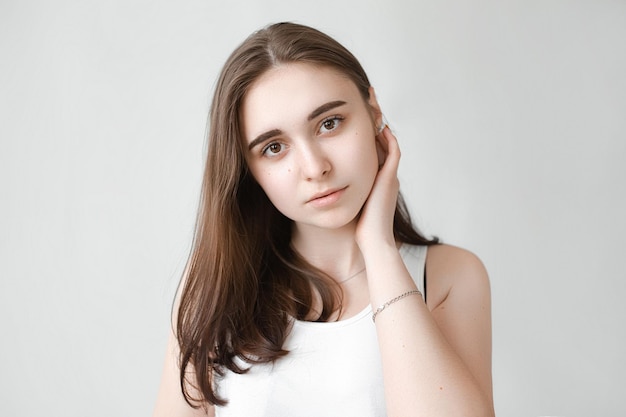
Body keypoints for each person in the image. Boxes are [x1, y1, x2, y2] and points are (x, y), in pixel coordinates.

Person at [153, 22, 494, 417]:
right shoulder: (216, 284)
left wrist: (379, 249)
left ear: (373, 111)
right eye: (274, 147)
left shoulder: (450, 276)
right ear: (247, 169)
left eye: (329, 123)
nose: (315, 167)